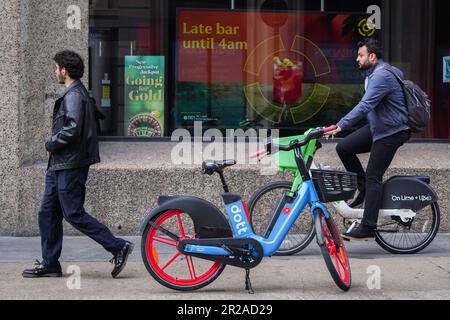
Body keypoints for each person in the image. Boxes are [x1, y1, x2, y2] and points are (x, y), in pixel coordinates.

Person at [22, 51, 134, 278]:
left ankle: (118, 246)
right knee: (48, 212)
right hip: (60, 164)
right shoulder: (75, 93)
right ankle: (50, 263)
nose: (55, 72)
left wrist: (50, 142)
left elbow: (72, 129)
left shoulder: (74, 95)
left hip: (70, 164)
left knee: (73, 213)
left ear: (64, 70)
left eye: (56, 68)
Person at [327, 39, 411, 241]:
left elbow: (365, 106)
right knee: (345, 148)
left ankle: (368, 226)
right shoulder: (376, 74)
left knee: (374, 174)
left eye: (361, 55)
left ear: (372, 57)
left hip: (392, 131)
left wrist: (341, 125)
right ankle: (364, 189)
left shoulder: (382, 75)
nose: (357, 58)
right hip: (378, 128)